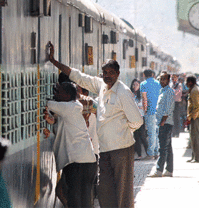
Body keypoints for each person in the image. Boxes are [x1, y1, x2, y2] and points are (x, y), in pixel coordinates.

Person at [47, 41, 143, 208]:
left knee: (122, 192)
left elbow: (137, 121)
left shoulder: (123, 92)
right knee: (105, 190)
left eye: (111, 73)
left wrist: (122, 131)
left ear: (118, 74)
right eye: (104, 72)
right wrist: (54, 62)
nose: (107, 76)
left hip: (121, 149)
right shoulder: (101, 86)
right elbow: (78, 76)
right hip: (104, 150)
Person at [44, 81, 97, 208]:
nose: (55, 93)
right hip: (88, 161)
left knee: (74, 198)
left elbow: (47, 103)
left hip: (76, 163)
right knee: (84, 200)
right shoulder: (73, 107)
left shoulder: (69, 107)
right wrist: (53, 122)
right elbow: (63, 128)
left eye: (59, 91)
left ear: (67, 95)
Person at [149, 73, 175, 177]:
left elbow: (168, 109)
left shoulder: (168, 92)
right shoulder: (162, 91)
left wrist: (163, 121)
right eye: (160, 79)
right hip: (162, 122)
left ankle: (159, 170)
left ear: (168, 80)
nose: (161, 81)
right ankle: (169, 170)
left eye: (164, 79)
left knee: (162, 147)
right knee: (167, 147)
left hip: (165, 123)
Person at [140, 69, 161, 160]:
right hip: (158, 110)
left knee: (151, 132)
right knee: (156, 132)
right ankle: (156, 152)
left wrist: (145, 110)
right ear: (152, 74)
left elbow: (144, 99)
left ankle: (150, 153)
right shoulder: (158, 83)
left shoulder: (143, 84)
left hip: (150, 111)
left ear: (144, 75)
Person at [186, 75, 199, 163]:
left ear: (190, 82)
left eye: (187, 82)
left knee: (196, 137)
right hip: (194, 116)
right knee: (193, 137)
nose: (186, 83)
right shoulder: (193, 89)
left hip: (196, 116)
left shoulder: (194, 90)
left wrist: (191, 117)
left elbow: (196, 106)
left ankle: (198, 157)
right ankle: (194, 156)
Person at [130, 79, 148, 160]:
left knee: (143, 136)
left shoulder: (141, 94)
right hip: (133, 118)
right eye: (134, 84)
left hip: (141, 117)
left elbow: (144, 106)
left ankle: (149, 153)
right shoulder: (130, 94)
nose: (135, 86)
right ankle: (139, 154)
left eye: (137, 84)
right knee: (136, 137)